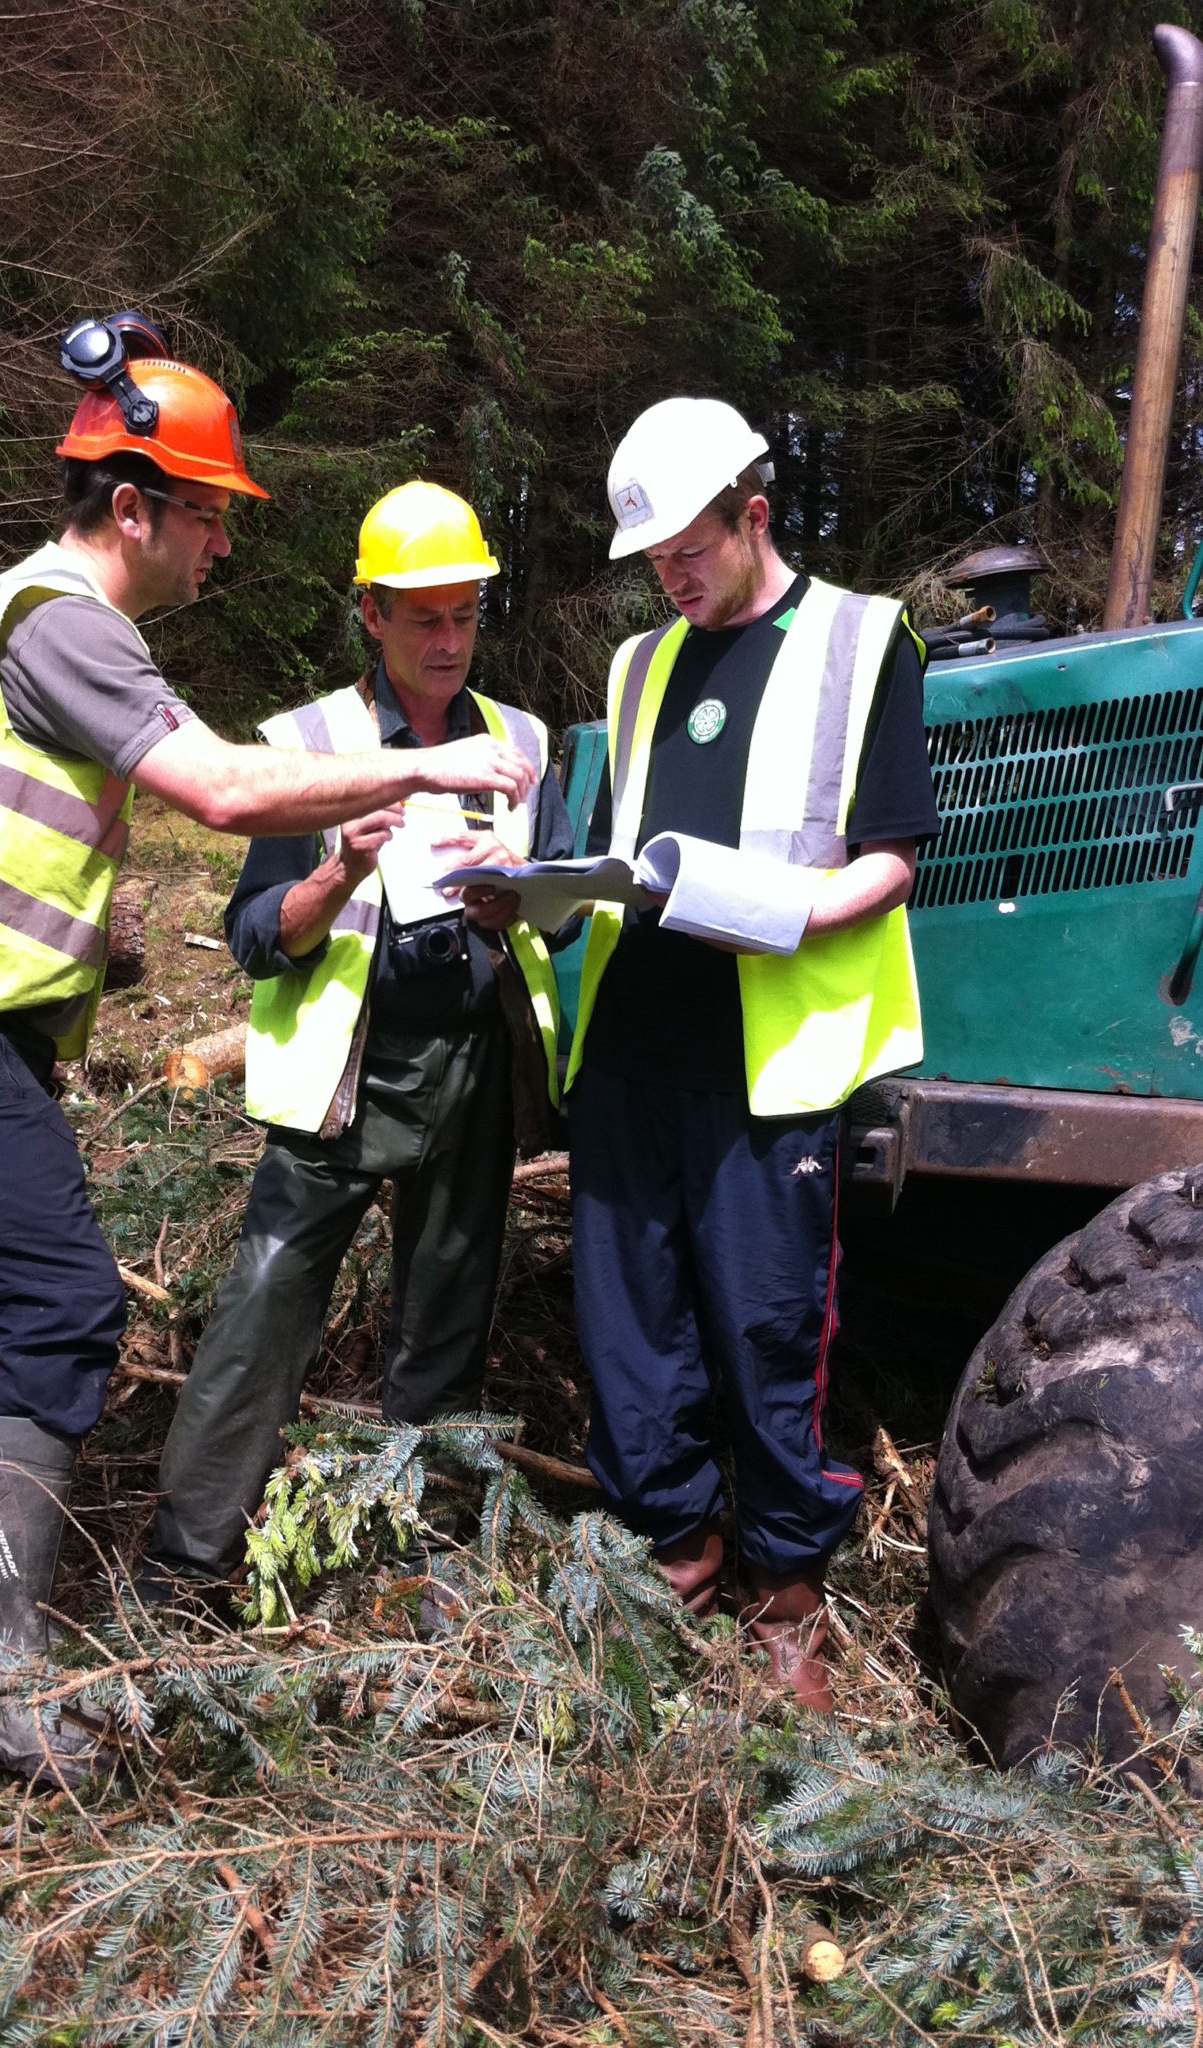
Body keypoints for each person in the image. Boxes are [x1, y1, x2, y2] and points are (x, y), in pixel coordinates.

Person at [0, 322, 536, 1789]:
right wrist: (421, 764)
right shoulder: (67, 618)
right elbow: (215, 789)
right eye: (208, 517)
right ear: (132, 507)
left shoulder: (45, 611)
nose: (219, 549)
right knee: (63, 1307)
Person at [567, 398, 940, 1713]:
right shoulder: (635, 667)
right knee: (631, 1324)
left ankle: (786, 1595)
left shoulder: (858, 638)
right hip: (631, 1047)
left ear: (753, 514)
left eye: (688, 549)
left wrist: (775, 915)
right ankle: (674, 1556)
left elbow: (890, 858)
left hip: (769, 1059)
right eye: (653, 560)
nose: (670, 576)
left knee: (769, 1326)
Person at [138, 480, 570, 1602]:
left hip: (474, 1067)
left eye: (465, 614)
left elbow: (566, 907)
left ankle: (422, 1558)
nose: (446, 640)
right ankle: (187, 1562)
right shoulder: (308, 745)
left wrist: (523, 904)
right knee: (264, 1310)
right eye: (422, 616)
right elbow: (253, 936)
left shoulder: (520, 742)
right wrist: (339, 870)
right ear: (370, 614)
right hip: (344, 1076)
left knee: (448, 1323)